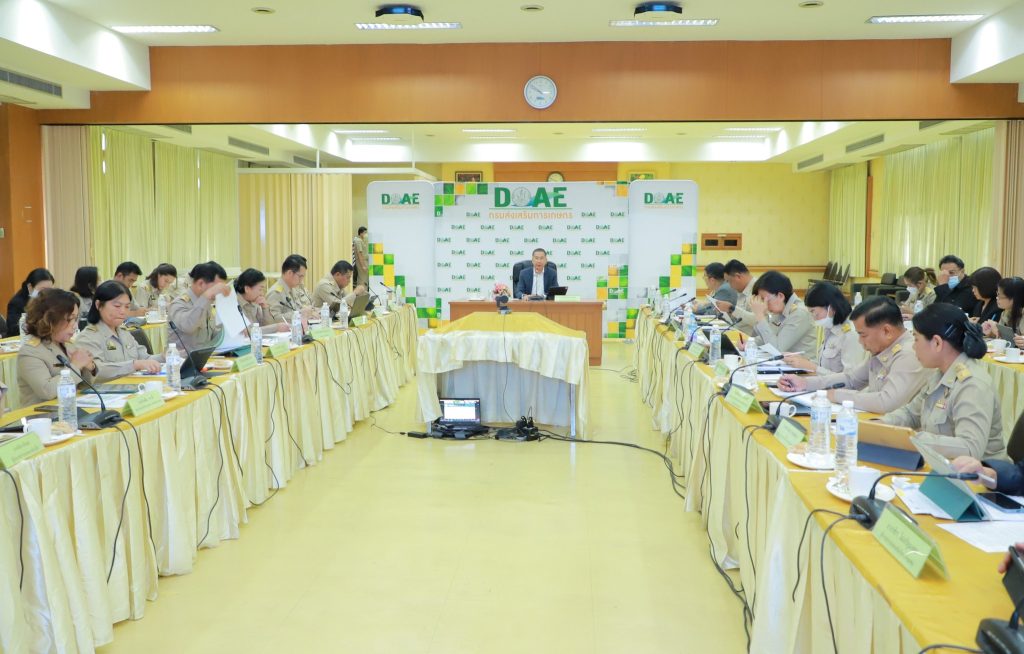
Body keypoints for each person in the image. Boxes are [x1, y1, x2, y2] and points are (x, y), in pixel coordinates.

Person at [879, 303, 1004, 460]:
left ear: (937, 343)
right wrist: (879, 424)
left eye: (916, 339)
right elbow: (911, 414)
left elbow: (970, 448)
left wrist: (912, 438)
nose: (913, 347)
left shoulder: (972, 385)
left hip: (980, 473)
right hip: (943, 465)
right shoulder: (940, 373)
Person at [778, 296, 928, 413]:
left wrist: (836, 395)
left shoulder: (909, 353)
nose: (860, 342)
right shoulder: (882, 348)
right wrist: (805, 383)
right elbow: (851, 379)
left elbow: (886, 402)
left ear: (886, 331)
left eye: (863, 335)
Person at [16, 288, 96, 406]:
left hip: (72, 409)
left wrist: (89, 367)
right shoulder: (30, 352)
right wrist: (76, 366)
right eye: (70, 319)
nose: (75, 326)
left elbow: (84, 386)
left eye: (76, 319)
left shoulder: (68, 345)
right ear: (50, 319)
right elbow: (46, 391)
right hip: (44, 415)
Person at [75, 281, 163, 381]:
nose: (123, 311)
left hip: (131, 387)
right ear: (98, 305)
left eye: (127, 307)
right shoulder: (87, 338)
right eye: (117, 306)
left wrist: (164, 356)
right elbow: (97, 371)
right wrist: (134, 365)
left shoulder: (124, 333)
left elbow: (145, 359)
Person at [783, 282, 865, 375]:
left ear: (831, 307)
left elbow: (851, 380)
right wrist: (803, 362)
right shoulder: (830, 328)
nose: (814, 318)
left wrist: (813, 368)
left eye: (815, 312)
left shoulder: (851, 334)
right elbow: (824, 367)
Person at [745, 270, 817, 355]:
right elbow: (770, 337)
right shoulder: (781, 308)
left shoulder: (799, 313)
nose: (765, 305)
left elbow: (776, 349)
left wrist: (760, 316)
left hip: (799, 363)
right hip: (783, 362)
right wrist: (750, 343)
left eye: (765, 300)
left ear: (780, 296)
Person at [167, 261, 230, 353]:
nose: (218, 292)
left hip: (206, 357)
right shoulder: (179, 304)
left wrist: (231, 329)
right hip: (183, 360)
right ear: (201, 284)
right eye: (216, 288)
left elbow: (212, 335)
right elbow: (188, 326)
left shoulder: (206, 303)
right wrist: (207, 296)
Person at [234, 268, 289, 333]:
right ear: (247, 289)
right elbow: (247, 332)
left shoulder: (255, 301)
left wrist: (265, 308)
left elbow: (268, 327)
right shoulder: (234, 304)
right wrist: (276, 327)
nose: (262, 294)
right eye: (260, 289)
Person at [712, 259, 757, 335]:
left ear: (738, 277)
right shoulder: (741, 290)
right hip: (737, 334)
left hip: (750, 339)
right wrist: (727, 312)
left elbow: (757, 320)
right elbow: (740, 320)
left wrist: (731, 308)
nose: (730, 286)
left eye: (729, 281)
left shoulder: (759, 288)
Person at [5, 267, 55, 336]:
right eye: (43, 289)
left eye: (50, 290)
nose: (46, 293)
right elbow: (14, 330)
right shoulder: (17, 303)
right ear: (30, 287)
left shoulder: (50, 299)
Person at [267, 254, 316, 323]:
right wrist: (300, 314)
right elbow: (274, 319)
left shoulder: (293, 288)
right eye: (300, 276)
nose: (301, 280)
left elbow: (299, 308)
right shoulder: (275, 292)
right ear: (290, 273)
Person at [983, 277, 1024, 343]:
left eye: (999, 295)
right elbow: (1005, 339)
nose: (997, 298)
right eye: (997, 294)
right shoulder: (1005, 312)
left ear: (1014, 298)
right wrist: (991, 332)